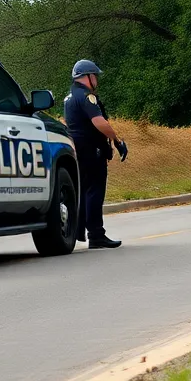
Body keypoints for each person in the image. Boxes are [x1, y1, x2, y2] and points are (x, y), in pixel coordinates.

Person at [64, 59, 128, 248]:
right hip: (92, 148)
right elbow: (99, 122)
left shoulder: (69, 96)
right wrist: (117, 142)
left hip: (78, 147)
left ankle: (79, 230)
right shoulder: (86, 97)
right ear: (88, 77)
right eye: (95, 76)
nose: (97, 80)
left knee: (84, 190)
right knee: (95, 190)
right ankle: (96, 234)